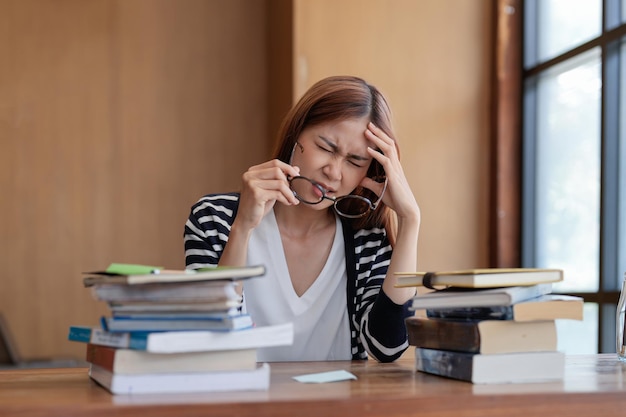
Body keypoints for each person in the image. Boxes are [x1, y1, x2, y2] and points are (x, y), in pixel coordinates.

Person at [184, 75, 420, 362]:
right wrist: (243, 228)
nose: (334, 172)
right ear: (296, 136)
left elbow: (388, 348)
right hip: (240, 403)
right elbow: (208, 335)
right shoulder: (215, 218)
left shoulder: (366, 238)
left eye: (355, 162)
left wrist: (410, 221)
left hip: (337, 406)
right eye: (326, 148)